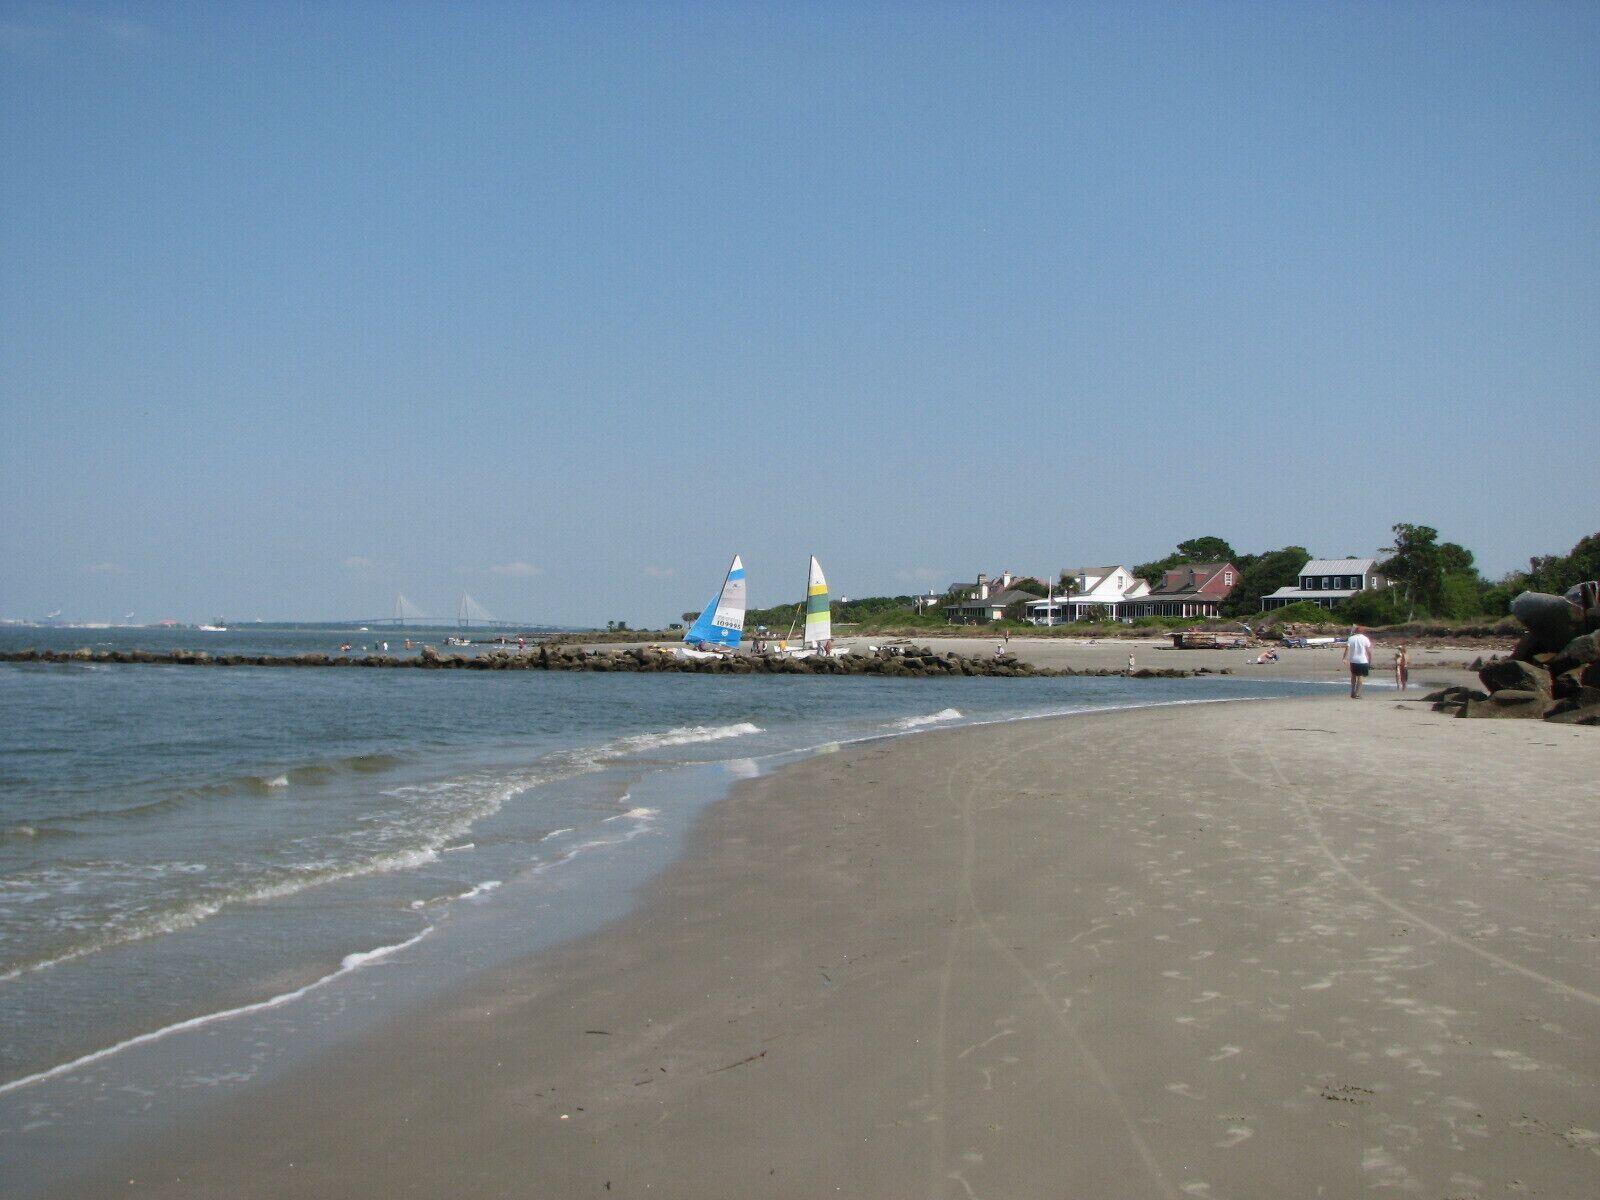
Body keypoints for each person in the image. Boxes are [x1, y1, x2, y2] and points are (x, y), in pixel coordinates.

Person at [1343, 625, 1374, 698]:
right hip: (1362, 660)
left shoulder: (1351, 638)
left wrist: (1344, 658)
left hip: (1353, 660)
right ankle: (1357, 693)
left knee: (1353, 676)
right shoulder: (1365, 639)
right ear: (1363, 632)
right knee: (1360, 676)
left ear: (1356, 631)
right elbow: (1368, 651)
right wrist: (1370, 659)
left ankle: (1353, 691)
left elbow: (1347, 649)